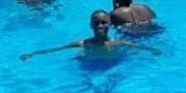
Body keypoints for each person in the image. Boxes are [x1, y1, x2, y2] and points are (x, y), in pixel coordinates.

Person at [20, 10, 161, 61]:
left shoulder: (118, 43)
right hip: (89, 67)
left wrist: (154, 51)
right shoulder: (83, 44)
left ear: (110, 25)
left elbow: (137, 46)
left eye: (104, 23)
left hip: (111, 66)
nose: (100, 26)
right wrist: (32, 54)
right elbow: (55, 49)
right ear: (91, 26)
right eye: (96, 23)